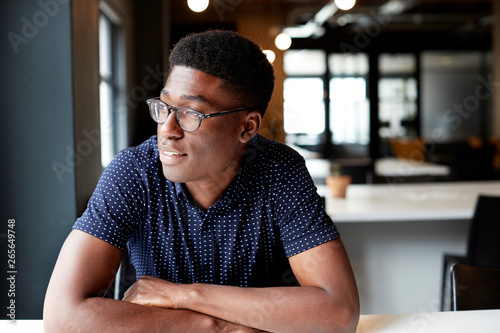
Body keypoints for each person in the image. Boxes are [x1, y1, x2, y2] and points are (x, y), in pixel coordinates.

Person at [44, 30, 359, 333]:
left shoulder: (280, 171)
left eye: (190, 114)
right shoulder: (134, 172)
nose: (167, 129)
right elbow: (62, 317)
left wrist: (184, 296)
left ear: (247, 127)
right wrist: (218, 328)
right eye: (164, 107)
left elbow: (339, 313)